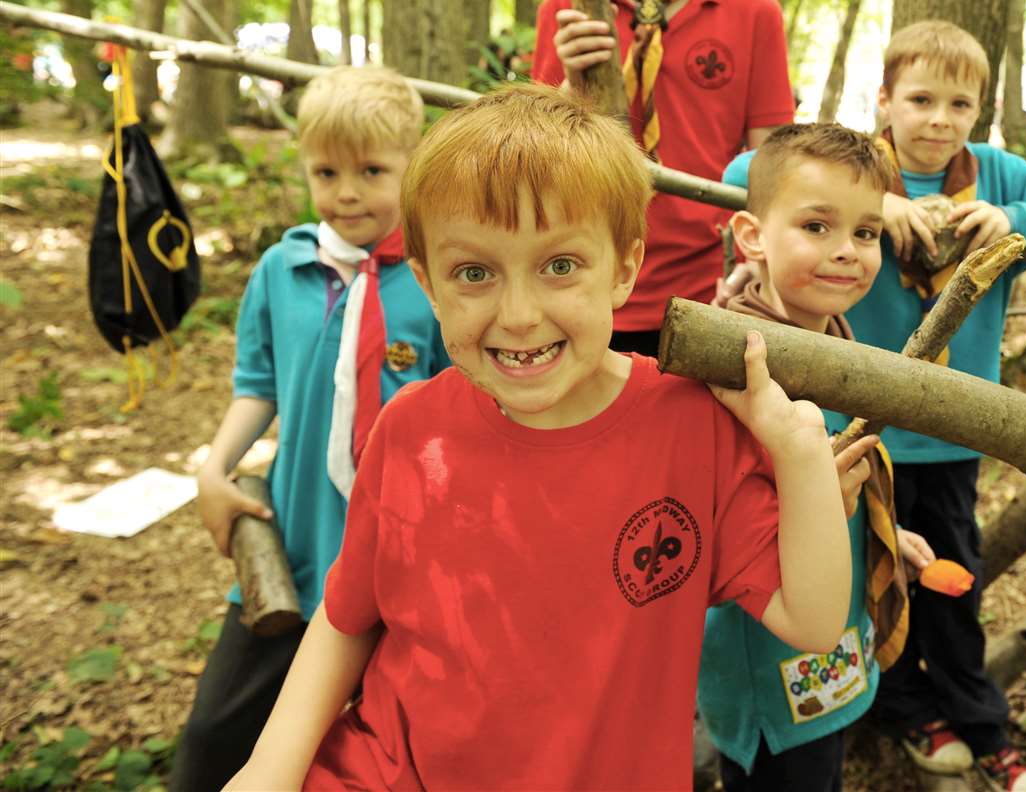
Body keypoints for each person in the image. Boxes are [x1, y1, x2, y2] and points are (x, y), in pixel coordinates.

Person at [226, 84, 851, 791]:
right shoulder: (410, 430)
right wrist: (266, 770)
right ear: (430, 285)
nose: (519, 314)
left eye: (559, 266)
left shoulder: (690, 427)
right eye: (474, 273)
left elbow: (813, 620)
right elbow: (347, 619)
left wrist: (798, 448)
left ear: (622, 268)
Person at [724, 21, 1026, 792]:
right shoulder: (861, 176)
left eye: (958, 104)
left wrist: (1020, 223)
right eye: (919, 99)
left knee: (952, 585)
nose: (937, 119)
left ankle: (981, 724)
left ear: (979, 113)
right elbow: (752, 167)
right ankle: (903, 709)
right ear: (885, 101)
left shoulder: (997, 177)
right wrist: (883, 204)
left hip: (950, 434)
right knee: (859, 575)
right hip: (862, 433)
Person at [171, 66, 449, 792]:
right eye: (326, 171)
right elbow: (256, 385)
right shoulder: (282, 267)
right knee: (212, 738)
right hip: (295, 551)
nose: (346, 191)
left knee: (359, 749)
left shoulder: (438, 276)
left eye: (371, 170)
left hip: (402, 557)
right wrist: (214, 468)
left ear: (412, 167)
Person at [699, 123, 935, 791]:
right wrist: (814, 503)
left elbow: (838, 481)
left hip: (830, 645)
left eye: (864, 233)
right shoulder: (734, 369)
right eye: (816, 227)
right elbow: (715, 521)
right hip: (768, 669)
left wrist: (881, 532)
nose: (847, 253)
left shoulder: (835, 339)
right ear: (751, 237)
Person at [533, 0, 794, 357]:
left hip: (708, 290)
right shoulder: (569, 6)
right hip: (580, 278)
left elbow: (771, 164)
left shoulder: (753, 13)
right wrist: (568, 87)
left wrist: (758, 265)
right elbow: (533, 152)